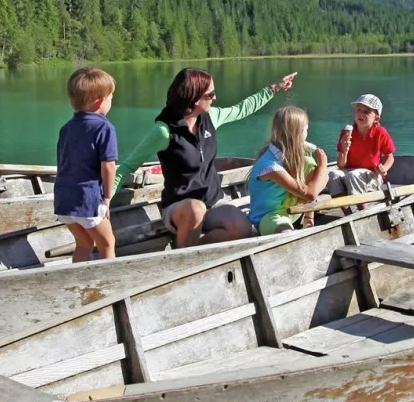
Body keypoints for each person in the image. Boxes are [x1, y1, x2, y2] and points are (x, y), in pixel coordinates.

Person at [115, 68, 297, 247]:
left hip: (212, 202)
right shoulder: (164, 131)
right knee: (195, 209)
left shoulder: (211, 117)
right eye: (210, 95)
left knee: (242, 227)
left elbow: (242, 109)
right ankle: (184, 259)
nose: (215, 98)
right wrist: (104, 201)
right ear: (194, 98)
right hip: (179, 209)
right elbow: (128, 166)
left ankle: (194, 251)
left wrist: (275, 87)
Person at [55, 67, 119, 262]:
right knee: (107, 244)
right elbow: (108, 166)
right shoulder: (104, 127)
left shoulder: (66, 128)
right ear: (100, 101)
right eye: (111, 97)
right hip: (87, 200)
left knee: (83, 243)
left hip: (64, 200)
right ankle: (107, 286)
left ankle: (79, 285)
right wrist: (107, 197)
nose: (111, 100)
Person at [247, 107, 329, 235]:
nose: (307, 133)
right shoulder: (271, 167)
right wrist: (323, 167)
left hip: (290, 211)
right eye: (306, 129)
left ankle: (308, 220)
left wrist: (309, 218)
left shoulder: (297, 156)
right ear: (298, 133)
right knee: (288, 236)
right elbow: (311, 194)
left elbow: (312, 187)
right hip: (269, 218)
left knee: (309, 163)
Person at [330, 93, 396, 195]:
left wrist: (384, 168)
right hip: (350, 171)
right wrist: (344, 151)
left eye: (366, 112)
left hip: (372, 174)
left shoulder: (380, 132)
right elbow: (340, 165)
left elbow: (390, 156)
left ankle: (362, 208)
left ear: (376, 119)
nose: (361, 114)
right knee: (333, 174)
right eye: (358, 110)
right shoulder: (346, 133)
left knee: (353, 175)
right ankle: (348, 211)